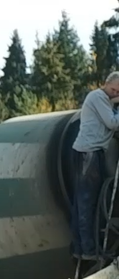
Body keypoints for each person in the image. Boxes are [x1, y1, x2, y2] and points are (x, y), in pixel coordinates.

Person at [70, 72, 119, 261]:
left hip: (87, 152)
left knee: (81, 204)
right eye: (113, 89)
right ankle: (89, 251)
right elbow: (112, 123)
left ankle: (79, 249)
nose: (114, 93)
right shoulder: (98, 97)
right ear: (105, 84)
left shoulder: (104, 99)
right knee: (86, 204)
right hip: (88, 154)